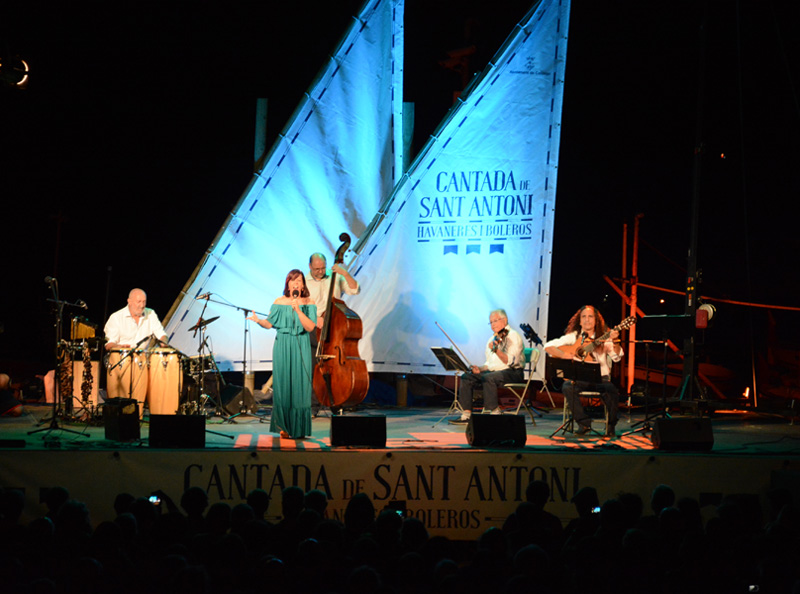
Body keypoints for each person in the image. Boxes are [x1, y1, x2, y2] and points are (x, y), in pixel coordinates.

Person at [248, 270, 317, 439]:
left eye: (299, 281)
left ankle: (299, 428)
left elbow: (310, 327)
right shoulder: (279, 302)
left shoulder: (309, 302)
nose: (296, 284)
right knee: (284, 384)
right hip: (283, 344)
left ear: (303, 284)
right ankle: (284, 426)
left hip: (301, 343)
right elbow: (269, 323)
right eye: (293, 280)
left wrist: (299, 310)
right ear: (287, 283)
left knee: (300, 386)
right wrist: (259, 321)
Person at [544, 305, 623, 437]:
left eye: (590, 316)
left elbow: (617, 358)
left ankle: (611, 425)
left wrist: (615, 341)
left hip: (600, 379)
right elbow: (548, 346)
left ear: (596, 320)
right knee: (567, 386)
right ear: (579, 321)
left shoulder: (604, 337)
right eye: (584, 317)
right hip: (579, 378)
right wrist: (565, 355)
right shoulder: (573, 337)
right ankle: (584, 423)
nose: (587, 320)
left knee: (612, 390)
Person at [451, 309, 524, 424]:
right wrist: (479, 369)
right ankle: (466, 414)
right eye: (491, 322)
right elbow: (489, 365)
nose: (493, 324)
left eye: (495, 321)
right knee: (467, 376)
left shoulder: (513, 336)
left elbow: (510, 362)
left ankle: (495, 412)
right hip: (494, 373)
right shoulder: (492, 339)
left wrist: (496, 350)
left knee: (489, 378)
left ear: (504, 320)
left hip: (513, 372)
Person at [304, 252, 360, 332]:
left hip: (336, 322)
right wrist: (315, 318)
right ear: (310, 266)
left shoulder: (334, 275)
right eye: (317, 269)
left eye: (323, 268)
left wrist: (345, 273)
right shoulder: (304, 284)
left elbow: (355, 290)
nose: (320, 271)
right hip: (316, 327)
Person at [104, 288, 168, 351]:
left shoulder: (151, 314)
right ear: (129, 301)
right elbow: (109, 344)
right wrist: (119, 347)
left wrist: (163, 342)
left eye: (144, 301)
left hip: (143, 359)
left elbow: (162, 335)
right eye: (139, 302)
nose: (142, 305)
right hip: (121, 358)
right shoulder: (116, 317)